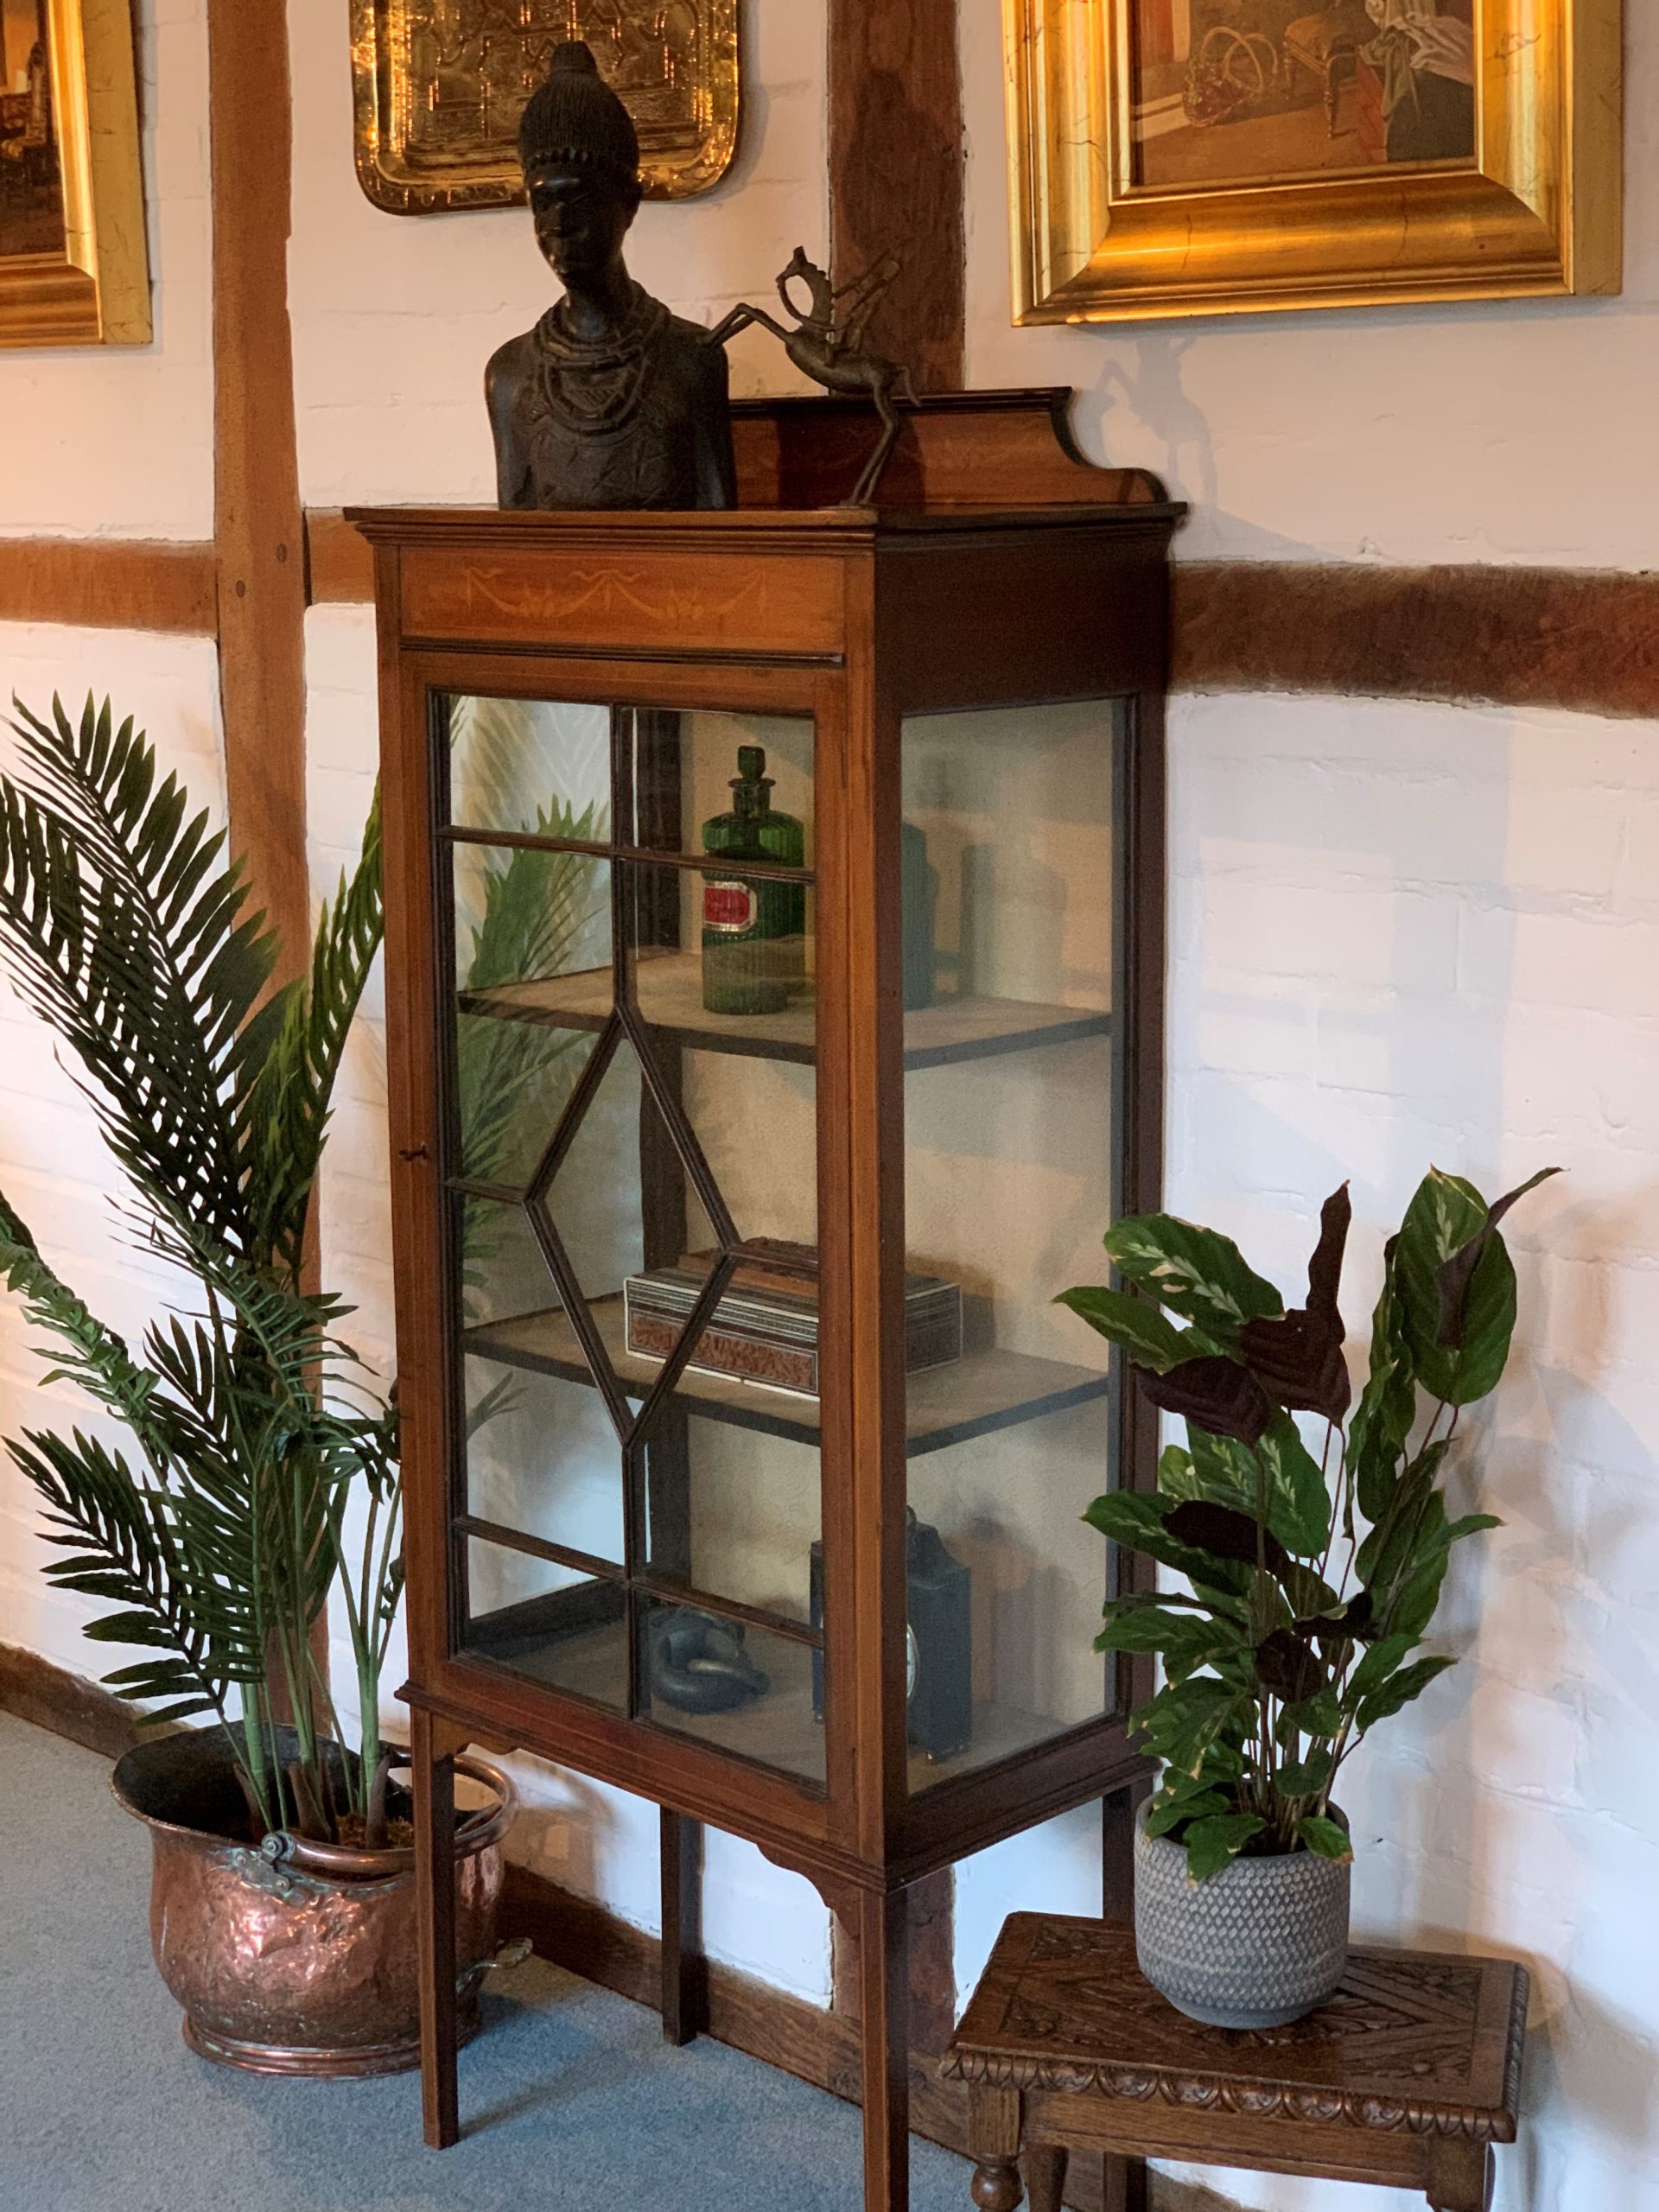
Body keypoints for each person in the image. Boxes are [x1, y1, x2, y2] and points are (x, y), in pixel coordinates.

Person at [486, 41, 735, 510]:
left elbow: (720, 531)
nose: (559, 225)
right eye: (544, 203)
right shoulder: (510, 374)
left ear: (629, 204)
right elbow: (517, 541)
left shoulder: (692, 360)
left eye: (579, 199)